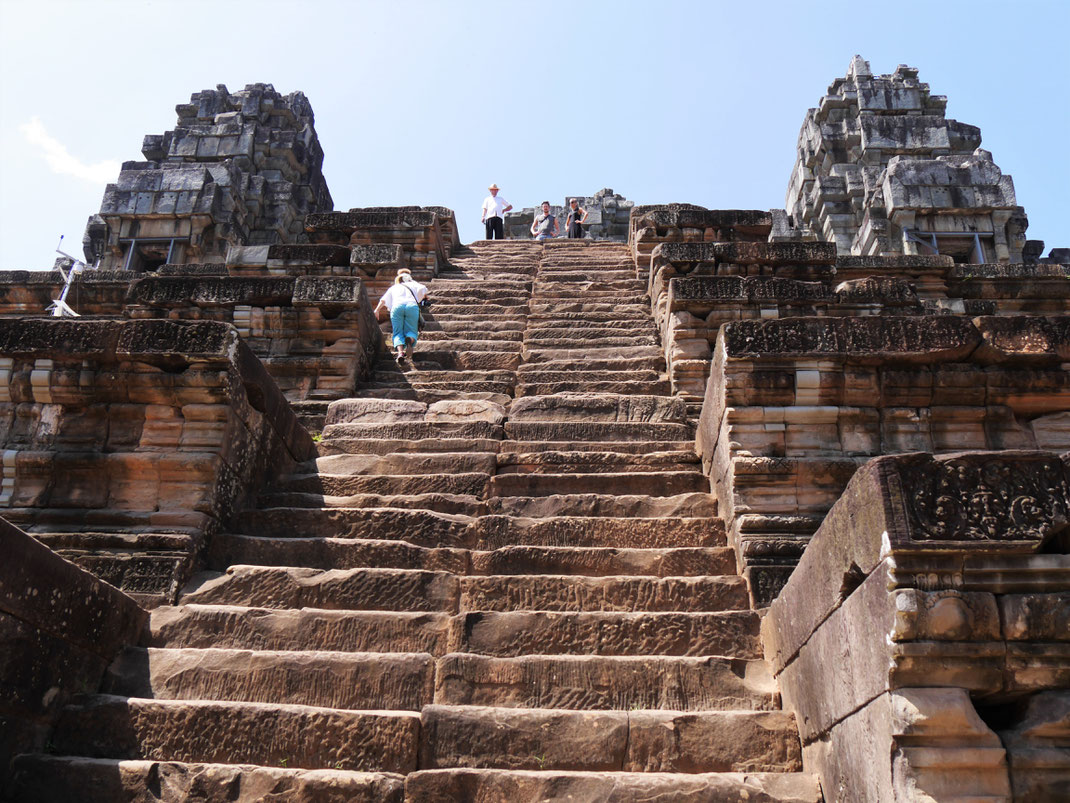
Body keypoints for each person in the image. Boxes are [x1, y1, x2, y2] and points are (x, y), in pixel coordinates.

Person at [373, 268, 429, 363]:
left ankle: (400, 353)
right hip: (411, 306)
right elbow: (424, 290)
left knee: (397, 332)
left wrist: (377, 310)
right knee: (411, 330)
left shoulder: (394, 287)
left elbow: (383, 300)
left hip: (397, 307)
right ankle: (409, 340)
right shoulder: (413, 284)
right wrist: (425, 298)